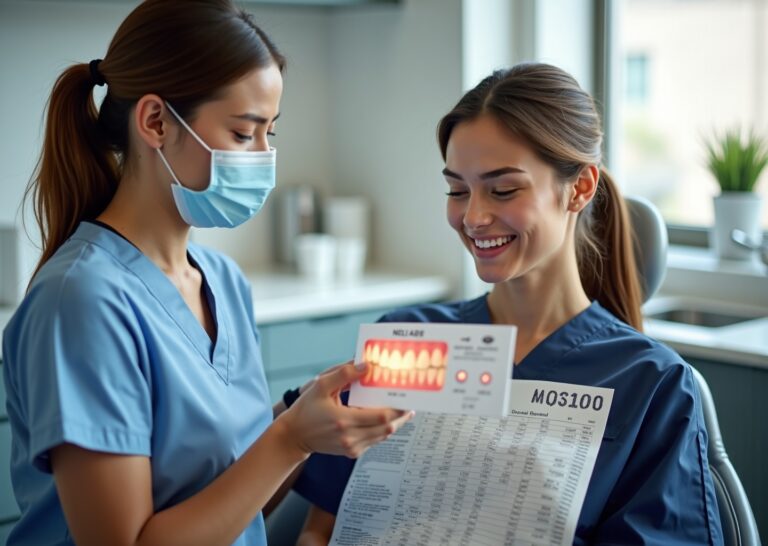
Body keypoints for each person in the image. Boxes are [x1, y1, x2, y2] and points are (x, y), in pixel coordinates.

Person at [0, 1, 413, 545]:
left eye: (271, 132)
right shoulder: (82, 301)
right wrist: (289, 438)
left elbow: (230, 495)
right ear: (154, 122)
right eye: (245, 134)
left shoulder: (222, 280)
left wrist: (300, 415)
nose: (264, 156)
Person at [293, 63, 724, 545]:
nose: (473, 216)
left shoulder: (648, 383)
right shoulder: (407, 341)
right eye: (457, 191)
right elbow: (321, 530)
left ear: (579, 188)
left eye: (503, 190)